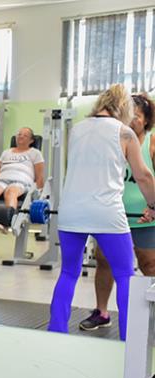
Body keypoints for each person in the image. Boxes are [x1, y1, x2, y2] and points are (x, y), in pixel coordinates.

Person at [48, 84, 155, 341]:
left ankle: (55, 334)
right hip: (107, 213)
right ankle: (130, 341)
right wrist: (152, 206)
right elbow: (143, 176)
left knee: (68, 273)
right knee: (125, 276)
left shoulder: (76, 130)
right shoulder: (125, 133)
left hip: (71, 213)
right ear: (123, 107)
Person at [79, 93, 155, 331]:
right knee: (104, 261)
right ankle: (102, 312)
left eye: (138, 117)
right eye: (129, 115)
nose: (132, 120)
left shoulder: (151, 143)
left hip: (145, 217)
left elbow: (147, 177)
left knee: (149, 265)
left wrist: (152, 206)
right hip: (111, 215)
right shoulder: (114, 139)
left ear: (147, 121)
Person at [0, 127, 44, 234]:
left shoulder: (35, 153)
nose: (20, 136)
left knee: (10, 192)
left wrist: (39, 194)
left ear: (31, 140)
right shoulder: (6, 152)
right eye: (19, 134)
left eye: (24, 135)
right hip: (2, 180)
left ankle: (6, 223)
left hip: (21, 181)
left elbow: (39, 176)